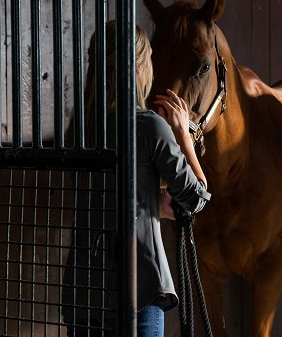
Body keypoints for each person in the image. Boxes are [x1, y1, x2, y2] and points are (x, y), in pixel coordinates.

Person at [62, 24, 210, 337]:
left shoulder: (79, 127)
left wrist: (150, 202)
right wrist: (183, 134)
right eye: (151, 59)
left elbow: (103, 190)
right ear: (139, 68)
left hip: (84, 288)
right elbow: (195, 196)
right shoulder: (148, 126)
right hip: (136, 287)